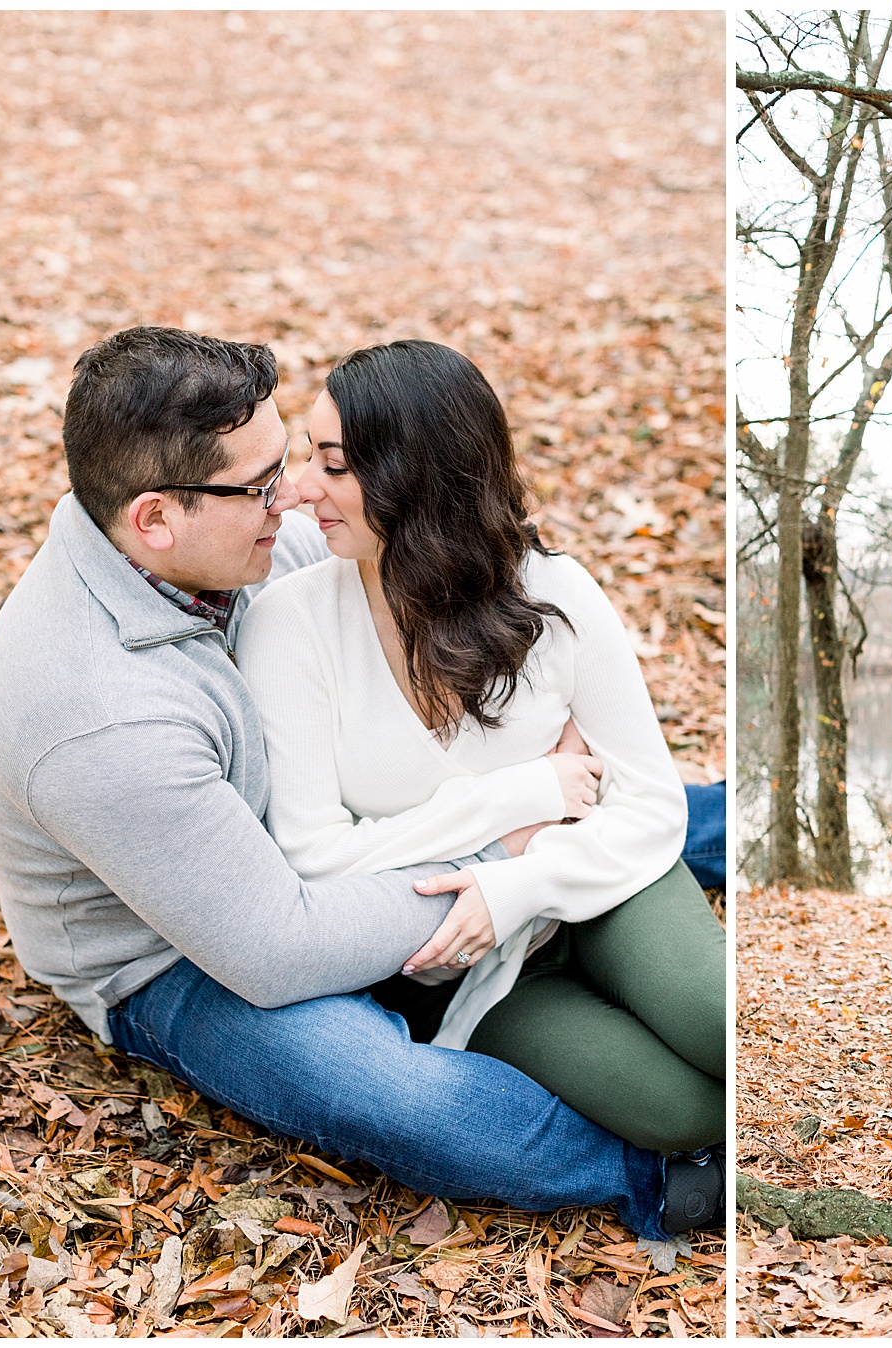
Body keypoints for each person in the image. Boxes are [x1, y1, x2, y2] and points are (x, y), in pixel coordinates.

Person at [0, 327, 721, 1238]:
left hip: (366, 843)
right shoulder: (100, 718)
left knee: (631, 797)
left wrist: (548, 807)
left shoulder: (231, 536)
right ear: (155, 519)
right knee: (386, 1089)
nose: (287, 495)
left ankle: (742, 826)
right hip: (174, 951)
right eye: (259, 486)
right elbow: (281, 939)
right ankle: (644, 1175)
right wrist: (505, 841)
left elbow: (412, 508)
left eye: (289, 461)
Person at [234, 338, 725, 1157]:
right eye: (307, 457)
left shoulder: (553, 592)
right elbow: (313, 861)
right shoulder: (291, 624)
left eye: (333, 464)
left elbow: (649, 803)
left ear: (414, 478)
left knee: (722, 1029)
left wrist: (521, 883)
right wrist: (520, 800)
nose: (296, 490)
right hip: (471, 962)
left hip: (604, 881)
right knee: (684, 1116)